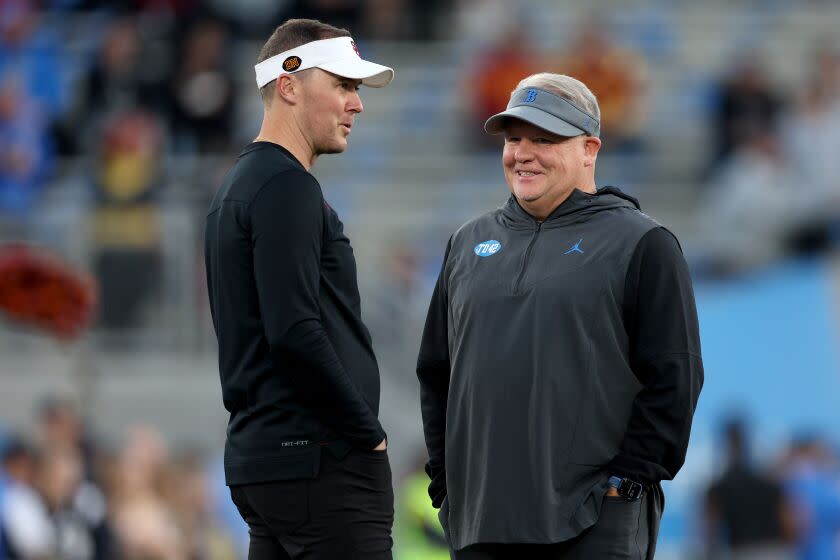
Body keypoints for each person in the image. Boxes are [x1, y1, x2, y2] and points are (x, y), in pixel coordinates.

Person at [416, 72, 703, 559]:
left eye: (543, 138)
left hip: (592, 523)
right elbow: (436, 373)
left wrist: (627, 483)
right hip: (482, 521)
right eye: (513, 139)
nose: (522, 153)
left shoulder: (642, 244)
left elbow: (675, 376)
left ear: (589, 148)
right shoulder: (465, 244)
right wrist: (447, 485)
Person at [204, 18, 395, 560]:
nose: (356, 105)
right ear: (288, 85)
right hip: (319, 461)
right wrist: (367, 434)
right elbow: (293, 332)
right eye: (342, 85)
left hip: (271, 459)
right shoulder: (286, 186)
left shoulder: (240, 186)